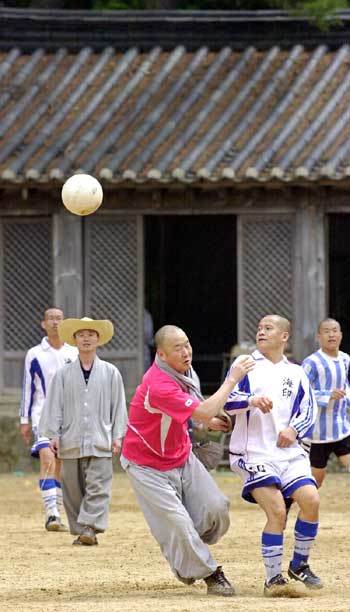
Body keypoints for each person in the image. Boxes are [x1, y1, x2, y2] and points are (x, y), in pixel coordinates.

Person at [121, 324, 254, 597]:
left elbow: (196, 411)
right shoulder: (158, 383)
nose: (186, 352)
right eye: (178, 348)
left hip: (181, 455)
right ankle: (210, 573)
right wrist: (232, 378)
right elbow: (203, 410)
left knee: (217, 510)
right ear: (161, 353)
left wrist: (210, 423)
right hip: (146, 464)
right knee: (179, 525)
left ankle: (184, 548)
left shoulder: (184, 370)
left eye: (187, 344)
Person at [223, 315, 322, 598]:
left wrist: (294, 429)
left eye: (268, 328)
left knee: (311, 500)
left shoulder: (297, 372)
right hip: (253, 452)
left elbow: (309, 410)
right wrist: (250, 400)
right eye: (259, 328)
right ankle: (273, 579)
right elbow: (226, 401)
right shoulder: (245, 365)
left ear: (284, 336)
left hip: (288, 454)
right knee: (277, 510)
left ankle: (299, 565)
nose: (261, 332)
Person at [39, 317, 127, 546]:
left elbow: (118, 407)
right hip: (70, 439)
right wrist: (54, 435)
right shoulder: (63, 374)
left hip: (101, 440)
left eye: (91, 334)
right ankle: (83, 531)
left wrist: (118, 435)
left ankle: (90, 527)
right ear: (75, 340)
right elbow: (54, 405)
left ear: (98, 339)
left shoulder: (111, 372)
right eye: (81, 334)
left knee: (98, 487)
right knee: (72, 489)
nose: (86, 338)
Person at [20, 307, 78, 532]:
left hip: (68, 416)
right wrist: (24, 419)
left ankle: (58, 511)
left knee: (60, 463)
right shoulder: (34, 354)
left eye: (59, 319)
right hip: (42, 414)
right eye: (51, 319)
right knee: (47, 457)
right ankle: (51, 513)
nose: (55, 322)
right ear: (43, 324)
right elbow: (28, 388)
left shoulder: (73, 353)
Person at [302, 318, 350, 488]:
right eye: (327, 331)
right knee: (316, 482)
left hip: (342, 427)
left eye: (335, 330)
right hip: (318, 432)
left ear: (341, 335)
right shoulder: (311, 362)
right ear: (318, 337)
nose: (331, 334)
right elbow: (300, 393)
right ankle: (291, 504)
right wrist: (327, 395)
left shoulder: (346, 359)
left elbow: (347, 385)